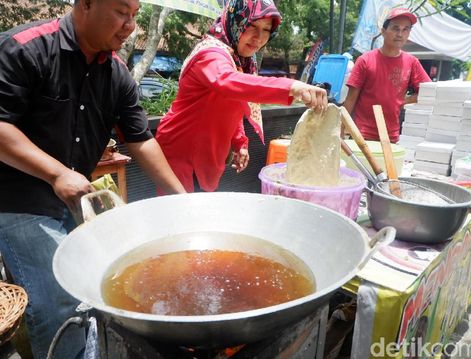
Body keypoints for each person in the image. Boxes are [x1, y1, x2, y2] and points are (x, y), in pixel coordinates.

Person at [0, 0, 185, 358]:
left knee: (111, 278)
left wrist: (181, 198)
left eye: (135, 15)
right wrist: (56, 172)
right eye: (121, 12)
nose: (130, 25)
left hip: (72, 199)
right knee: (60, 298)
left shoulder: (116, 73)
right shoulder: (25, 48)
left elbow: (141, 139)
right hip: (15, 199)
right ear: (85, 4)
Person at [155, 0, 328, 193]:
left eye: (266, 30)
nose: (258, 37)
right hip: (182, 149)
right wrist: (291, 86)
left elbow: (232, 101)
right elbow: (228, 82)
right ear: (236, 21)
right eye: (252, 26)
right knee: (181, 215)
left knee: (199, 212)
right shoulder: (211, 53)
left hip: (210, 152)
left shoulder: (240, 59)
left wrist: (239, 142)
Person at [343, 7, 431, 143]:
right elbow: (350, 100)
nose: (400, 34)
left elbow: (429, 92)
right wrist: (340, 130)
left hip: (392, 137)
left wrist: (403, 100)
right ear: (383, 31)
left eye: (405, 29)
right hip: (362, 135)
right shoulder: (365, 60)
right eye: (395, 28)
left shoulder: (412, 62)